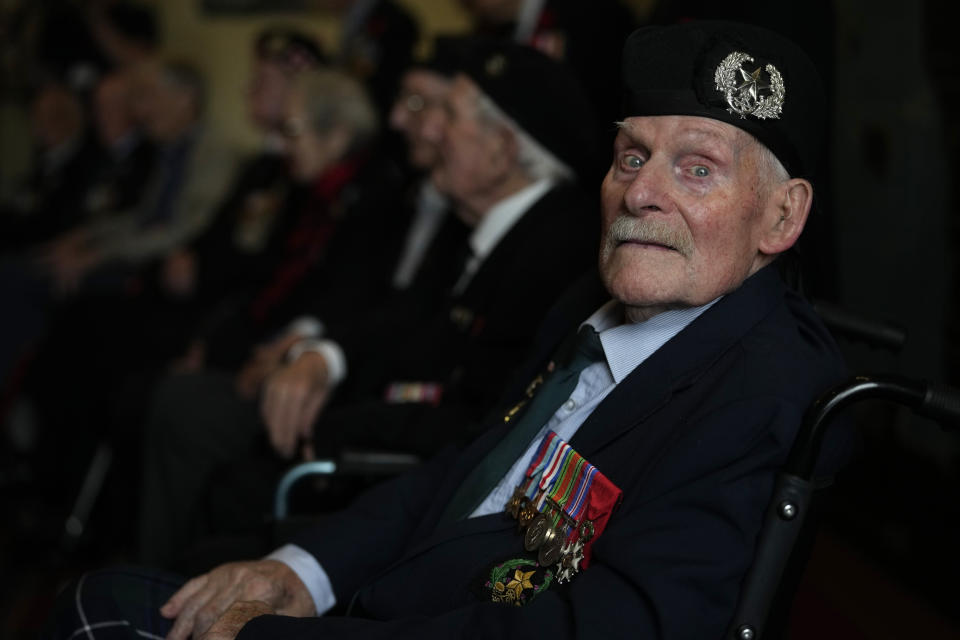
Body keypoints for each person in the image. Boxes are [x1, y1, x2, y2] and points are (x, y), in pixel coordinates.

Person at [47, 21, 847, 639]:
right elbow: (464, 469)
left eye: (697, 168)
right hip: (394, 587)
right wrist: (304, 574)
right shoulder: (590, 306)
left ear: (782, 215)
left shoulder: (765, 391)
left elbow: (604, 627)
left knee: (95, 611)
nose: (642, 194)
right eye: (631, 156)